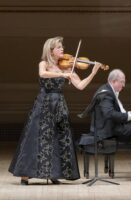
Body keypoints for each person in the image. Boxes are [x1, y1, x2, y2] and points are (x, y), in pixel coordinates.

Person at [9, 36, 103, 185]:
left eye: (62, 47)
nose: (62, 49)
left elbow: (80, 86)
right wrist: (62, 74)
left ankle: (54, 173)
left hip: (59, 105)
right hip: (43, 104)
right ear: (51, 50)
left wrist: (93, 72)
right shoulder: (44, 64)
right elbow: (42, 74)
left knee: (59, 138)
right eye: (59, 47)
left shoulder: (66, 67)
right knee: (36, 138)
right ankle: (25, 174)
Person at [79, 69, 131, 178]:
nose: (124, 85)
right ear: (114, 81)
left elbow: (119, 111)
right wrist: (130, 116)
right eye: (122, 82)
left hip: (111, 126)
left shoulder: (108, 90)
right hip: (106, 130)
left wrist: (130, 113)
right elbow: (109, 114)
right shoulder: (106, 94)